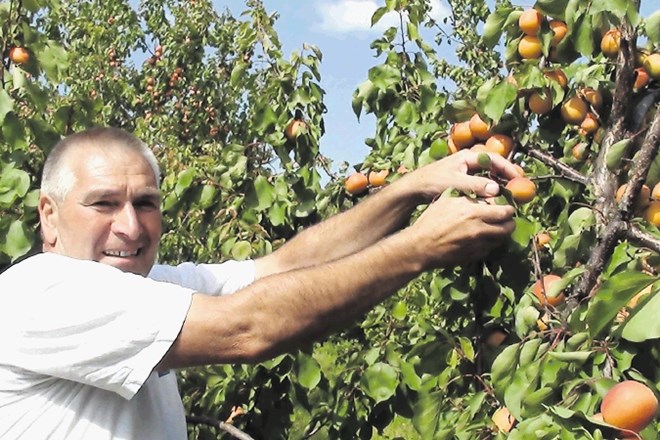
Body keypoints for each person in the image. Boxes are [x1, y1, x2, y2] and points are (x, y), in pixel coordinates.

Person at [0, 127, 517, 439]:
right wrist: (418, 247)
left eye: (145, 204)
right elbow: (248, 327)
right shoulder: (43, 292)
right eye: (104, 203)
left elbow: (281, 267)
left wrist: (408, 190)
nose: (131, 227)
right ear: (48, 215)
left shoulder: (150, 288)